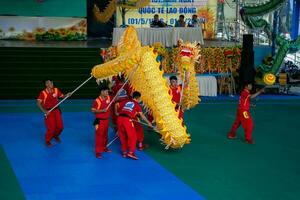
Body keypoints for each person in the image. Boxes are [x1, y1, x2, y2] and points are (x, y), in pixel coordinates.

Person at [117, 91, 152, 160]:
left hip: (119, 118)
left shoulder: (126, 101)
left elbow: (117, 105)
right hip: (127, 120)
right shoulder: (136, 104)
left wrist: (116, 112)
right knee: (133, 137)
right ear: (138, 98)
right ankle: (131, 152)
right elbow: (142, 116)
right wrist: (149, 123)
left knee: (122, 136)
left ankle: (124, 152)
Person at [37, 79, 71, 147]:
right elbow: (38, 103)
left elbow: (62, 96)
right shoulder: (43, 93)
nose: (51, 84)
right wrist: (44, 111)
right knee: (51, 128)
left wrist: (67, 95)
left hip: (57, 111)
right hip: (49, 112)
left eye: (52, 82)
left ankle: (55, 136)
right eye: (49, 83)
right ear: (46, 84)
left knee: (60, 127)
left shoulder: (56, 90)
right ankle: (48, 140)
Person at [91, 86, 112, 158]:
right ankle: (98, 152)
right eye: (106, 91)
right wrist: (102, 110)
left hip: (106, 120)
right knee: (99, 136)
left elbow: (115, 98)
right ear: (101, 92)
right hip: (99, 121)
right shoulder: (97, 101)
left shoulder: (108, 97)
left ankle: (104, 147)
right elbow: (93, 110)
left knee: (105, 136)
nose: (107, 93)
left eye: (107, 91)